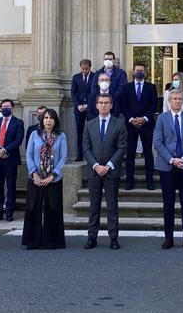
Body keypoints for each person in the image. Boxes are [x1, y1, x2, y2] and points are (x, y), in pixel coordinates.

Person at [154, 89, 183, 250]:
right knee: (168, 203)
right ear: (169, 101)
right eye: (174, 99)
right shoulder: (162, 118)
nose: (177, 101)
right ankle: (169, 238)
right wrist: (172, 160)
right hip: (166, 166)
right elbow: (158, 142)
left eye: (180, 99)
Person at [82, 94, 127, 249]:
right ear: (96, 105)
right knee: (94, 206)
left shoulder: (119, 124)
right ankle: (92, 237)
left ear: (111, 105)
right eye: (100, 103)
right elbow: (86, 148)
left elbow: (122, 148)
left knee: (112, 207)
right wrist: (96, 165)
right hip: (94, 171)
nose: (103, 105)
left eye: (106, 103)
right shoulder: (89, 124)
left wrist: (108, 165)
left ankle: (113, 238)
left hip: (111, 171)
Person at [22, 108, 67, 250]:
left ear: (55, 121)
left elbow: (63, 157)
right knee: (32, 207)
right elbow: (28, 155)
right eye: (46, 117)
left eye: (51, 118)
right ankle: (33, 240)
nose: (48, 120)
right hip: (35, 177)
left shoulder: (61, 136)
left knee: (53, 208)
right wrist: (34, 173)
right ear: (42, 120)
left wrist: (52, 175)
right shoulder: (34, 135)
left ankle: (52, 241)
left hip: (53, 179)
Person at [122, 62, 158, 191]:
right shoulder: (126, 87)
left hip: (146, 124)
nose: (139, 72)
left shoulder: (151, 87)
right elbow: (123, 106)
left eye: (142, 70)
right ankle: (129, 181)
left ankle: (150, 181)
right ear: (133, 72)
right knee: (130, 154)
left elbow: (154, 105)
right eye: (137, 70)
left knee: (148, 153)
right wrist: (131, 119)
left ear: (145, 72)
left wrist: (144, 118)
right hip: (130, 125)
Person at [0, 99, 25, 223]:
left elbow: (18, 140)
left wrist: (5, 150)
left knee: (11, 186)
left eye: (7, 106)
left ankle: (9, 211)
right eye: (3, 106)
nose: (5, 108)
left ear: (12, 108)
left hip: (10, 158)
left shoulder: (18, 122)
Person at [71, 59, 93, 161]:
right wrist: (78, 105)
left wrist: (88, 105)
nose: (85, 71)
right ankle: (79, 155)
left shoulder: (94, 76)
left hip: (91, 108)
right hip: (79, 109)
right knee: (79, 132)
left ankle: (92, 154)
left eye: (86, 69)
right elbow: (73, 93)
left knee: (92, 132)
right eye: (83, 69)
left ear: (90, 67)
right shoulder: (76, 77)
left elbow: (95, 93)